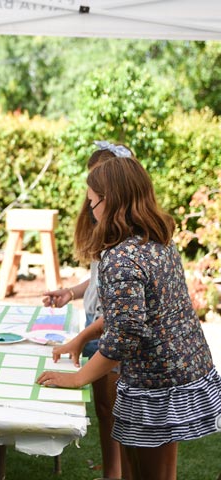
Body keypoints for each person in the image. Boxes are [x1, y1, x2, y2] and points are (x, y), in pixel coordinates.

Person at [36, 155, 221, 480]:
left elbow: (126, 332)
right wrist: (82, 339)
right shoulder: (158, 244)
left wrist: (79, 378)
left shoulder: (120, 258)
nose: (90, 211)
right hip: (178, 376)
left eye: (91, 203)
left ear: (109, 202)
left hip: (154, 384)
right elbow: (135, 314)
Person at [41, 141, 134, 480]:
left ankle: (120, 473)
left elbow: (123, 313)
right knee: (105, 410)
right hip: (94, 328)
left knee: (120, 413)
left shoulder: (127, 242)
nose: (89, 198)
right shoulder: (104, 226)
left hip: (110, 335)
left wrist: (82, 338)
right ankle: (114, 472)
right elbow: (96, 279)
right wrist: (71, 292)